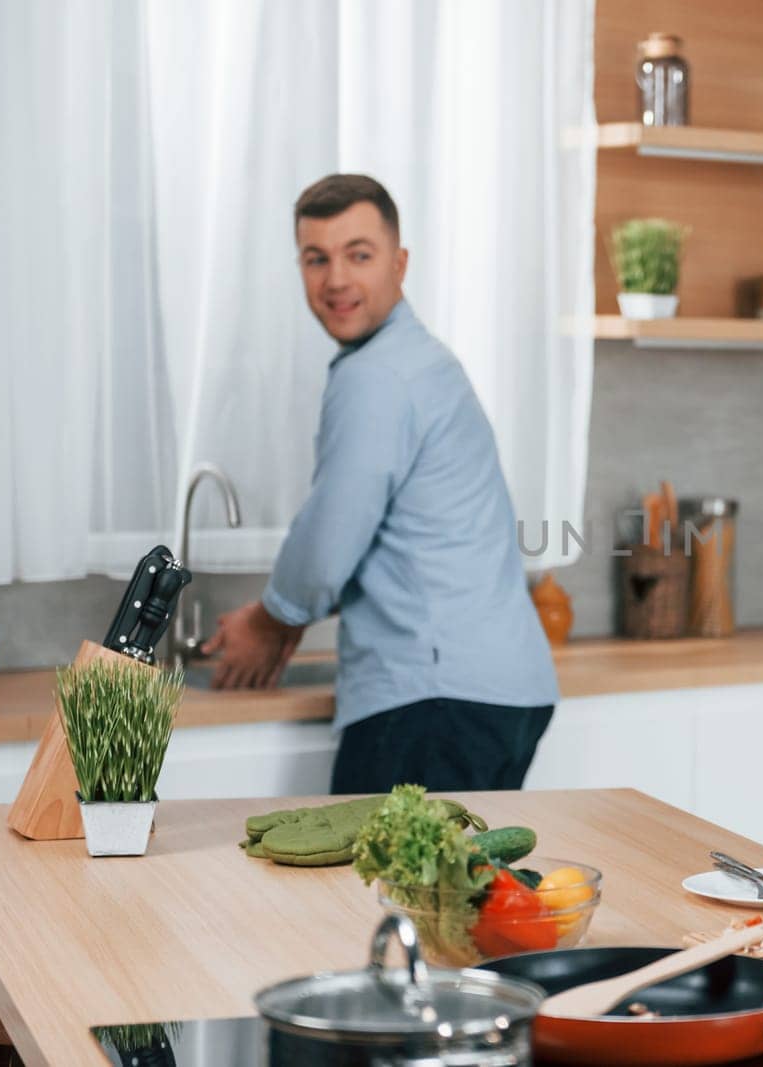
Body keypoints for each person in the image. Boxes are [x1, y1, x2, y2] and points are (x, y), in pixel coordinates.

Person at [204, 174, 559, 793]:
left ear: (400, 262)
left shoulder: (379, 377)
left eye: (358, 255)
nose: (336, 279)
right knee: (445, 892)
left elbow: (331, 538)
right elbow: (386, 538)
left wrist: (271, 619)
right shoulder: (420, 362)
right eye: (317, 259)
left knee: (373, 892)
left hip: (435, 696)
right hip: (495, 690)